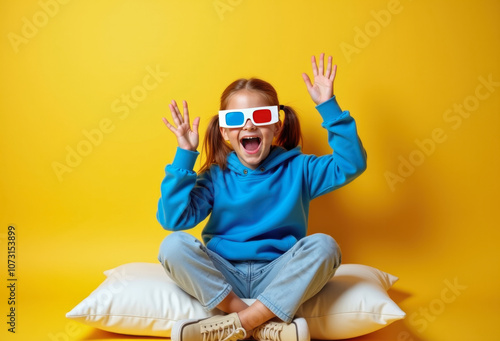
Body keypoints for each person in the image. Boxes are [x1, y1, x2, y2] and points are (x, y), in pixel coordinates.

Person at [157, 53, 367, 341]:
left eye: (261, 116)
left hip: (279, 274)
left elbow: (351, 163)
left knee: (325, 246)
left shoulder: (300, 169)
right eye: (236, 119)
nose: (249, 125)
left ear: (276, 126)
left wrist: (328, 107)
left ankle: (238, 324)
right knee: (173, 246)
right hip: (224, 274)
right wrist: (185, 156)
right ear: (225, 131)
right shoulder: (215, 176)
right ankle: (259, 323)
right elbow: (173, 219)